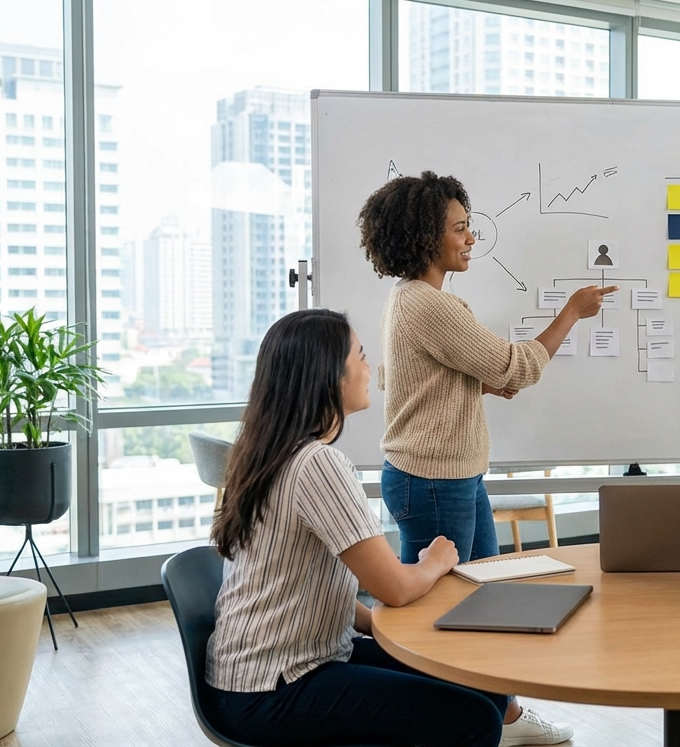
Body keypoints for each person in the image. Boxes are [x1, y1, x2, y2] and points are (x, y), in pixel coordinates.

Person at [359, 171, 612, 746]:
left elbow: (467, 374)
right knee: (448, 613)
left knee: (486, 602)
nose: (471, 238)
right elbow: (515, 366)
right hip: (433, 481)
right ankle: (451, 724)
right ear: (427, 237)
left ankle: (505, 719)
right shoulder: (430, 306)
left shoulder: (419, 301)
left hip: (448, 476)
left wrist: (487, 379)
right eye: (460, 228)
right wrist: (572, 311)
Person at [206, 309, 506, 747]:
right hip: (272, 688)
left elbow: (303, 584)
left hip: (268, 672)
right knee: (473, 717)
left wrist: (376, 627)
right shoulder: (318, 465)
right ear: (329, 375)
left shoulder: (271, 452)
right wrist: (434, 562)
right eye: (361, 357)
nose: (370, 370)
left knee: (483, 682)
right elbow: (396, 589)